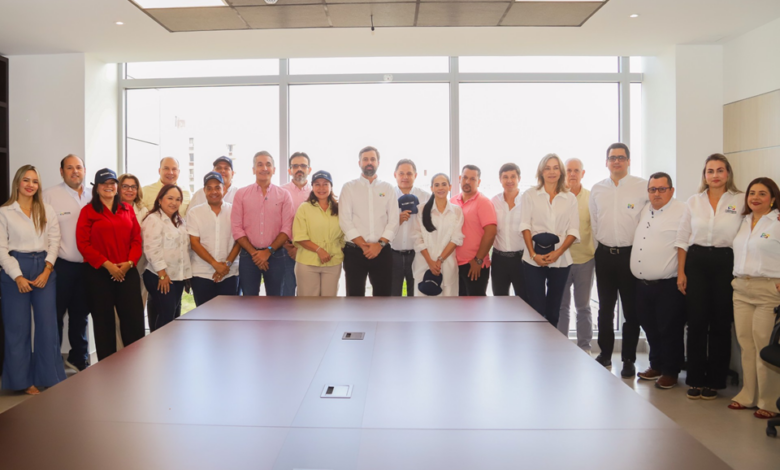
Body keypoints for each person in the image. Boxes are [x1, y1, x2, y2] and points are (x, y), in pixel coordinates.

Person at [675, 154, 745, 400]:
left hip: (726, 263)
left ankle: (715, 381)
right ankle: (695, 379)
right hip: (696, 262)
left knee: (720, 324)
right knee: (695, 323)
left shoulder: (741, 200)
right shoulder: (693, 201)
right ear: (704, 175)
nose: (715, 175)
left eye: (720, 170)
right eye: (710, 171)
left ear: (728, 173)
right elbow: (682, 239)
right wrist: (681, 272)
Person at [0, 165, 65, 395]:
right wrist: (17, 276)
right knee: (17, 327)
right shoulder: (4, 212)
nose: (30, 185)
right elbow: (1, 248)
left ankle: (51, 377)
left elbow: (55, 241)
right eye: (26, 180)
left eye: (35, 181)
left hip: (44, 267)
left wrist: (47, 269)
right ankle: (22, 382)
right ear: (17, 182)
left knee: (48, 326)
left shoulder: (47, 209)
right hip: (14, 268)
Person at [589, 143, 648, 377]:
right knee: (605, 308)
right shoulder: (597, 189)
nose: (616, 161)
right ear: (606, 162)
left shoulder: (642, 186)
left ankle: (629, 359)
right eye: (612, 158)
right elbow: (594, 222)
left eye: (621, 157)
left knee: (631, 311)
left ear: (628, 161)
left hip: (631, 256)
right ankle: (604, 354)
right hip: (604, 255)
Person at [76, 168, 144, 361]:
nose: (109, 187)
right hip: (99, 273)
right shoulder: (88, 212)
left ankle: (136, 364)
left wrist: (129, 263)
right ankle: (107, 369)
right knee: (103, 324)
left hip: (127, 271)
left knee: (134, 321)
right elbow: (83, 244)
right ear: (96, 187)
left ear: (117, 187)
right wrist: (108, 265)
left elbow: (136, 240)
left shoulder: (127, 209)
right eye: (104, 183)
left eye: (112, 183)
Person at [729, 177, 780, 419]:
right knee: (745, 344)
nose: (755, 198)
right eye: (752, 193)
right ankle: (748, 395)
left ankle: (769, 401)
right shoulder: (744, 221)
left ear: (772, 199)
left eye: (762, 193)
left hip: (767, 290)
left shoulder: (777, 221)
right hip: (741, 288)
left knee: (763, 344)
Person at [630, 173, 686, 389]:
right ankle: (657, 365)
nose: (657, 193)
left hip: (667, 284)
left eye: (662, 189)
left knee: (669, 329)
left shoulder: (681, 211)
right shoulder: (646, 209)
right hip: (643, 284)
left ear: (671, 190)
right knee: (650, 326)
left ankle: (671, 371)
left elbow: (684, 244)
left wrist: (682, 273)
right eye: (652, 189)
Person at [42, 154, 92, 372]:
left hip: (88, 267)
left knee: (81, 315)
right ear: (61, 171)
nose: (75, 171)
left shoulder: (93, 195)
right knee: (56, 314)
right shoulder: (49, 196)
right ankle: (52, 361)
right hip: (61, 266)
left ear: (84, 170)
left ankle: (79, 359)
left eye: (78, 167)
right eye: (69, 168)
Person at [520, 154, 579, 327]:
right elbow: (525, 226)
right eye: (547, 168)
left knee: (554, 310)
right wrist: (533, 255)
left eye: (555, 168)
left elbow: (573, 230)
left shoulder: (570, 198)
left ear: (561, 172)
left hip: (561, 259)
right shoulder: (530, 195)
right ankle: (536, 343)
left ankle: (550, 343)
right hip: (533, 259)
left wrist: (558, 253)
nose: (551, 172)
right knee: (536, 309)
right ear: (541, 172)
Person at [339, 146, 400, 297]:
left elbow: (393, 221)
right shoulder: (349, 188)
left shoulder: (388, 188)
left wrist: (379, 245)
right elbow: (345, 220)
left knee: (383, 298)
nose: (369, 162)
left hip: (382, 251)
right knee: (355, 298)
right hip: (354, 252)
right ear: (359, 163)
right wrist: (363, 245)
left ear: (378, 162)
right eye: (365, 159)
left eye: (373, 159)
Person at [231, 151, 294, 297]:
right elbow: (236, 228)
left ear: (274, 169)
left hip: (276, 255)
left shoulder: (284, 195)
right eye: (260, 164)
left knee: (276, 300)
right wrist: (255, 254)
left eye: (268, 164)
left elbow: (287, 228)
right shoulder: (241, 194)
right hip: (248, 256)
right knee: (249, 301)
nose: (264, 168)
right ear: (253, 170)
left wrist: (268, 252)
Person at [557, 158, 595, 353]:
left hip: (584, 261)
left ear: (583, 173)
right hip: (561, 261)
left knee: (583, 307)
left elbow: (595, 228)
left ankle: (584, 348)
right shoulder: (557, 197)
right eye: (569, 170)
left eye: (576, 170)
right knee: (561, 307)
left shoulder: (590, 198)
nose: (572, 174)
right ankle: (561, 347)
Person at [142, 184, 192, 330]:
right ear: (160, 199)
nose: (174, 202)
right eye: (170, 198)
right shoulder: (153, 219)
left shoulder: (180, 221)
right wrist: (162, 274)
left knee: (174, 316)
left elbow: (184, 249)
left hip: (177, 277)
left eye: (178, 199)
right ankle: (158, 345)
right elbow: (151, 249)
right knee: (166, 316)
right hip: (159, 276)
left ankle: (170, 344)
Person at [186, 172, 240, 306]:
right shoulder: (194, 212)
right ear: (204, 190)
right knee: (204, 315)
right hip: (201, 273)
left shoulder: (234, 211)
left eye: (217, 187)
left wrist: (226, 265)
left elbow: (239, 241)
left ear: (224, 189)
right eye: (209, 188)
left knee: (229, 315)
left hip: (230, 273)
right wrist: (215, 264)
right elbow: (194, 243)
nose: (213, 191)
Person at [292, 170, 344, 296]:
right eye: (317, 184)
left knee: (329, 302)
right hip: (307, 262)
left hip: (333, 261)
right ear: (312, 187)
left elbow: (344, 236)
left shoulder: (340, 208)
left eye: (325, 184)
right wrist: (319, 250)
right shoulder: (304, 208)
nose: (321, 188)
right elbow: (299, 236)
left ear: (331, 186)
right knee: (308, 303)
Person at [412, 173, 464, 297]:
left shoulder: (457, 211)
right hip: (424, 265)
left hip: (447, 266)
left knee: (447, 305)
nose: (440, 188)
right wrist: (430, 262)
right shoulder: (421, 209)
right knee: (423, 305)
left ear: (450, 187)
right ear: (432, 188)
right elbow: (417, 238)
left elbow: (456, 239)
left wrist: (440, 260)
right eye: (437, 185)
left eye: (444, 184)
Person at [451, 165, 497, 296]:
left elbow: (491, 233)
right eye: (465, 178)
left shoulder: (483, 202)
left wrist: (478, 260)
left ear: (478, 182)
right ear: (460, 178)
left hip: (474, 265)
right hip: (454, 264)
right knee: (457, 304)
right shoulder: (452, 201)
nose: (467, 181)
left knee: (475, 305)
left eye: (472, 179)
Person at [391, 159, 430, 297]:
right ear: (395, 175)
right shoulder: (388, 196)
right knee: (392, 296)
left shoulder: (425, 197)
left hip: (417, 254)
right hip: (392, 254)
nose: (405, 177)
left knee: (416, 296)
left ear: (415, 175)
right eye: (401, 173)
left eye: (409, 173)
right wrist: (396, 220)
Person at [118, 173, 150, 321]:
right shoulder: (111, 208)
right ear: (118, 188)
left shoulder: (144, 211)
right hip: (117, 261)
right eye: (125, 186)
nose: (129, 190)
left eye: (133, 187)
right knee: (118, 307)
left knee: (137, 305)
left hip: (139, 262)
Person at [490, 163, 525, 299]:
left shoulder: (527, 201)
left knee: (524, 301)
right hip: (499, 259)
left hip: (521, 259)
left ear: (519, 179)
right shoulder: (493, 202)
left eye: (513, 177)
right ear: (500, 179)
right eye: (505, 177)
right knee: (500, 300)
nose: (509, 180)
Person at [281, 152, 313, 296]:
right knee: (286, 293)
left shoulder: (316, 192)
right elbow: (276, 220)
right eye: (295, 166)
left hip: (309, 250)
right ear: (290, 170)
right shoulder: (281, 191)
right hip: (286, 250)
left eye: (303, 166)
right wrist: (288, 246)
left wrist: (302, 247)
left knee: (307, 294)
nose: (299, 169)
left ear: (309, 169)